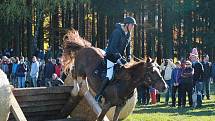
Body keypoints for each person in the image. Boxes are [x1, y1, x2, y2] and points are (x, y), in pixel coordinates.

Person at [95, 16, 136, 102]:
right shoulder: (117, 32)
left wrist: (128, 56)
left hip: (119, 57)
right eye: (132, 25)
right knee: (109, 75)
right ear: (126, 25)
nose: (133, 27)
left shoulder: (128, 34)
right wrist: (119, 58)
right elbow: (113, 48)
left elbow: (128, 47)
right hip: (110, 57)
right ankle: (98, 95)